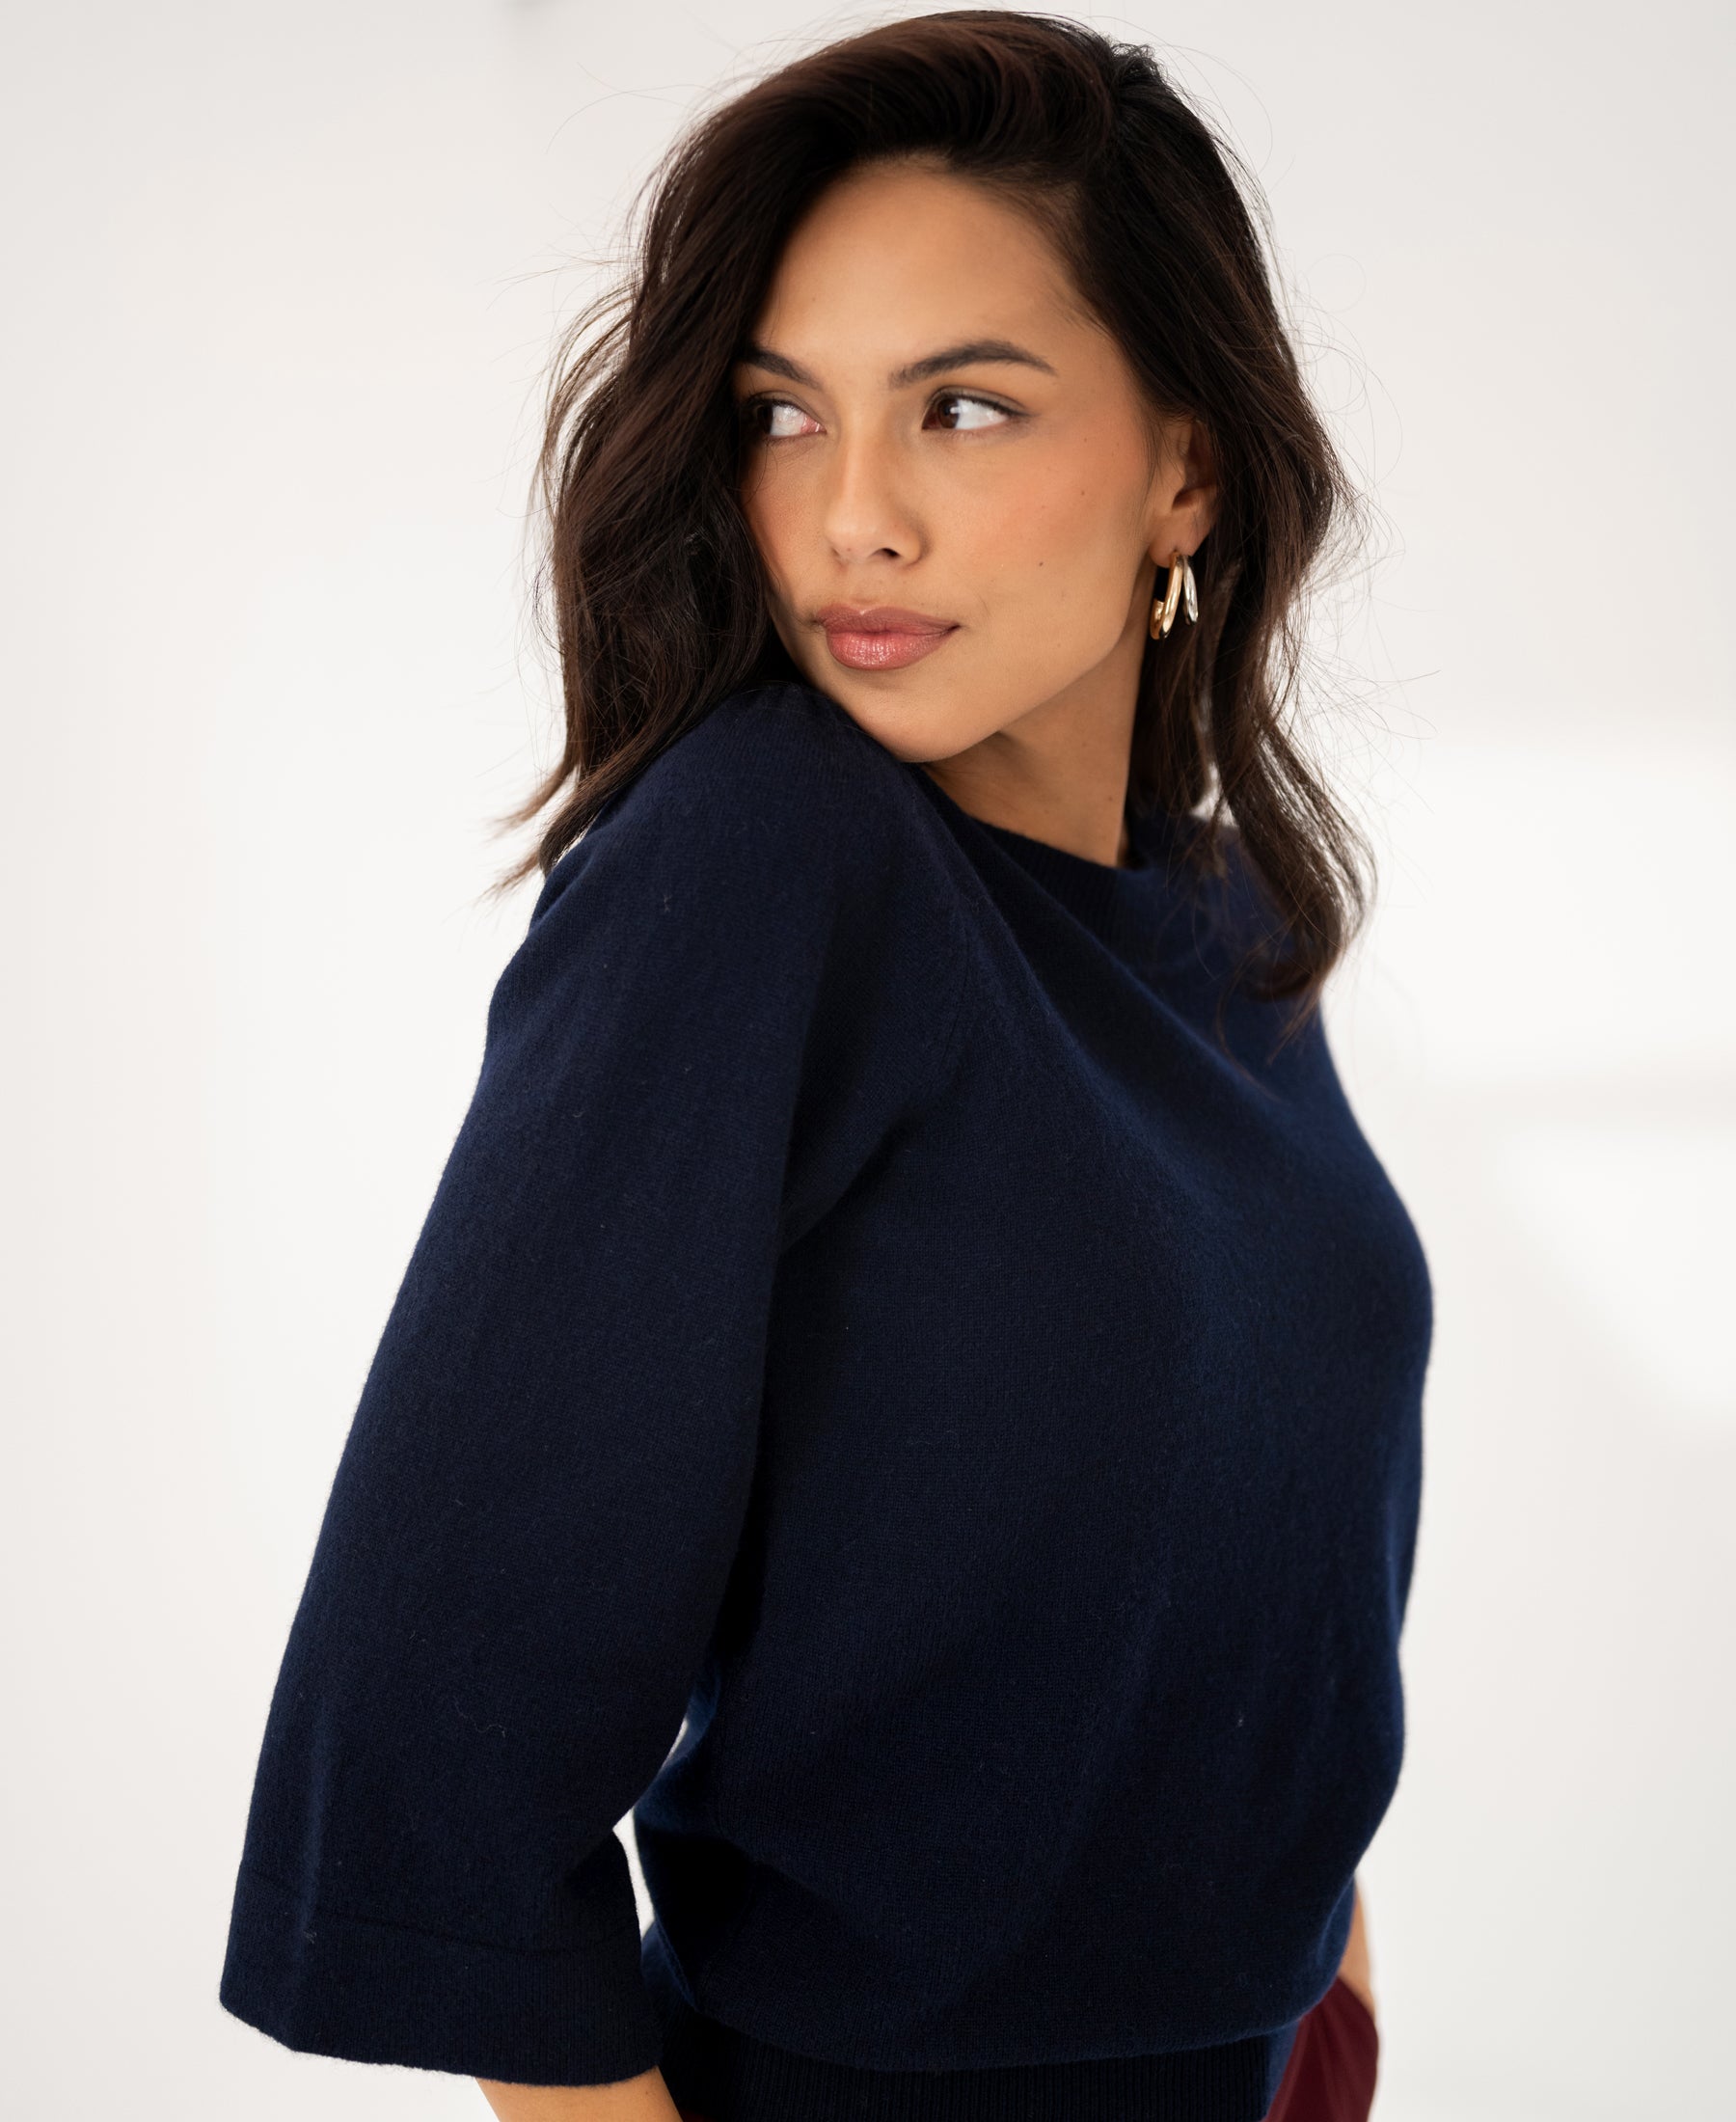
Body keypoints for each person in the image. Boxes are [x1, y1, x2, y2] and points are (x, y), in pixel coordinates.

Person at [218, 14, 1430, 2122]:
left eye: (962, 405)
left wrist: (1327, 1987)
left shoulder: (1236, 927)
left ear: (1190, 466)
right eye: (784, 413)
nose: (852, 513)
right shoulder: (765, 853)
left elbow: (1250, 1535)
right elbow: (438, 1717)